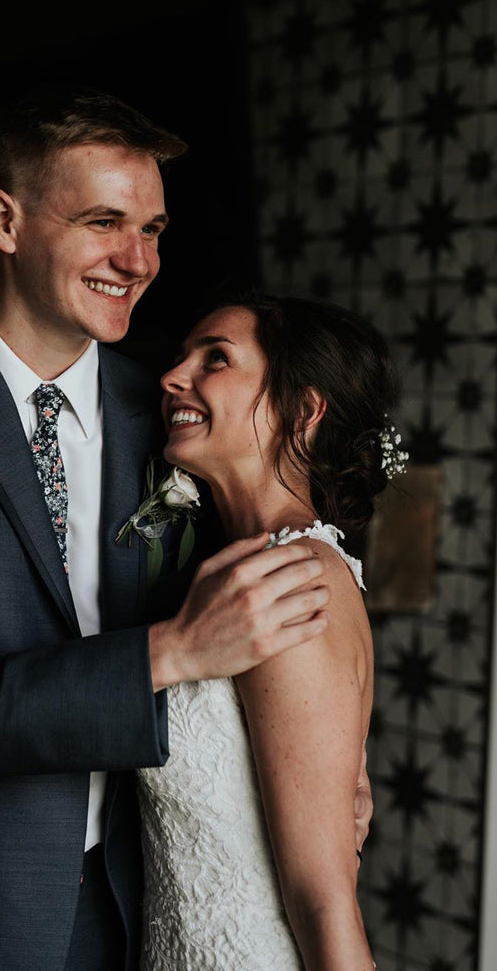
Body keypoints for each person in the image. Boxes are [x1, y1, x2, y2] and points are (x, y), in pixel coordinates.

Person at [0, 88, 343, 971]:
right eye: (103, 221)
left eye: (154, 229)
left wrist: (333, 773)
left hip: (130, 903)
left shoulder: (167, 412)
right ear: (4, 222)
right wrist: (166, 655)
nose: (137, 260)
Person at [137, 290, 397, 970]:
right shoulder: (240, 572)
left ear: (303, 411)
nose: (172, 378)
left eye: (215, 359)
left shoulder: (294, 583)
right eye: (181, 356)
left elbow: (324, 897)